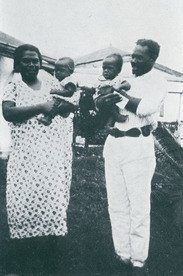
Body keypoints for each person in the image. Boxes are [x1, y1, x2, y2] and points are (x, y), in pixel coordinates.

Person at [2, 44, 77, 275]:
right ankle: (22, 259)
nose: (32, 64)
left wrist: (62, 106)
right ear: (18, 64)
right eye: (27, 61)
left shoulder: (52, 83)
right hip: (25, 157)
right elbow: (8, 113)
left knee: (52, 204)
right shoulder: (12, 86)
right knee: (21, 206)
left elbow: (70, 103)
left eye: (36, 60)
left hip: (51, 156)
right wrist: (40, 107)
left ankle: (50, 260)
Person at [95, 39, 167, 276]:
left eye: (140, 57)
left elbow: (145, 108)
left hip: (138, 145)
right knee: (116, 204)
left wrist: (116, 95)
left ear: (152, 60)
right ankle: (122, 255)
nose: (134, 60)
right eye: (133, 56)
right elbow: (101, 103)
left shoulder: (158, 81)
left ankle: (138, 260)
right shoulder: (125, 80)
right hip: (114, 143)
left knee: (138, 205)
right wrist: (101, 100)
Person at [38, 57, 77, 125]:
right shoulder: (60, 80)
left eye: (61, 70)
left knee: (55, 104)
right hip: (64, 101)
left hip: (69, 100)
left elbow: (69, 92)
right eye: (56, 70)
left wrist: (56, 91)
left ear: (70, 71)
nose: (58, 73)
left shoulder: (70, 80)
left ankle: (48, 118)